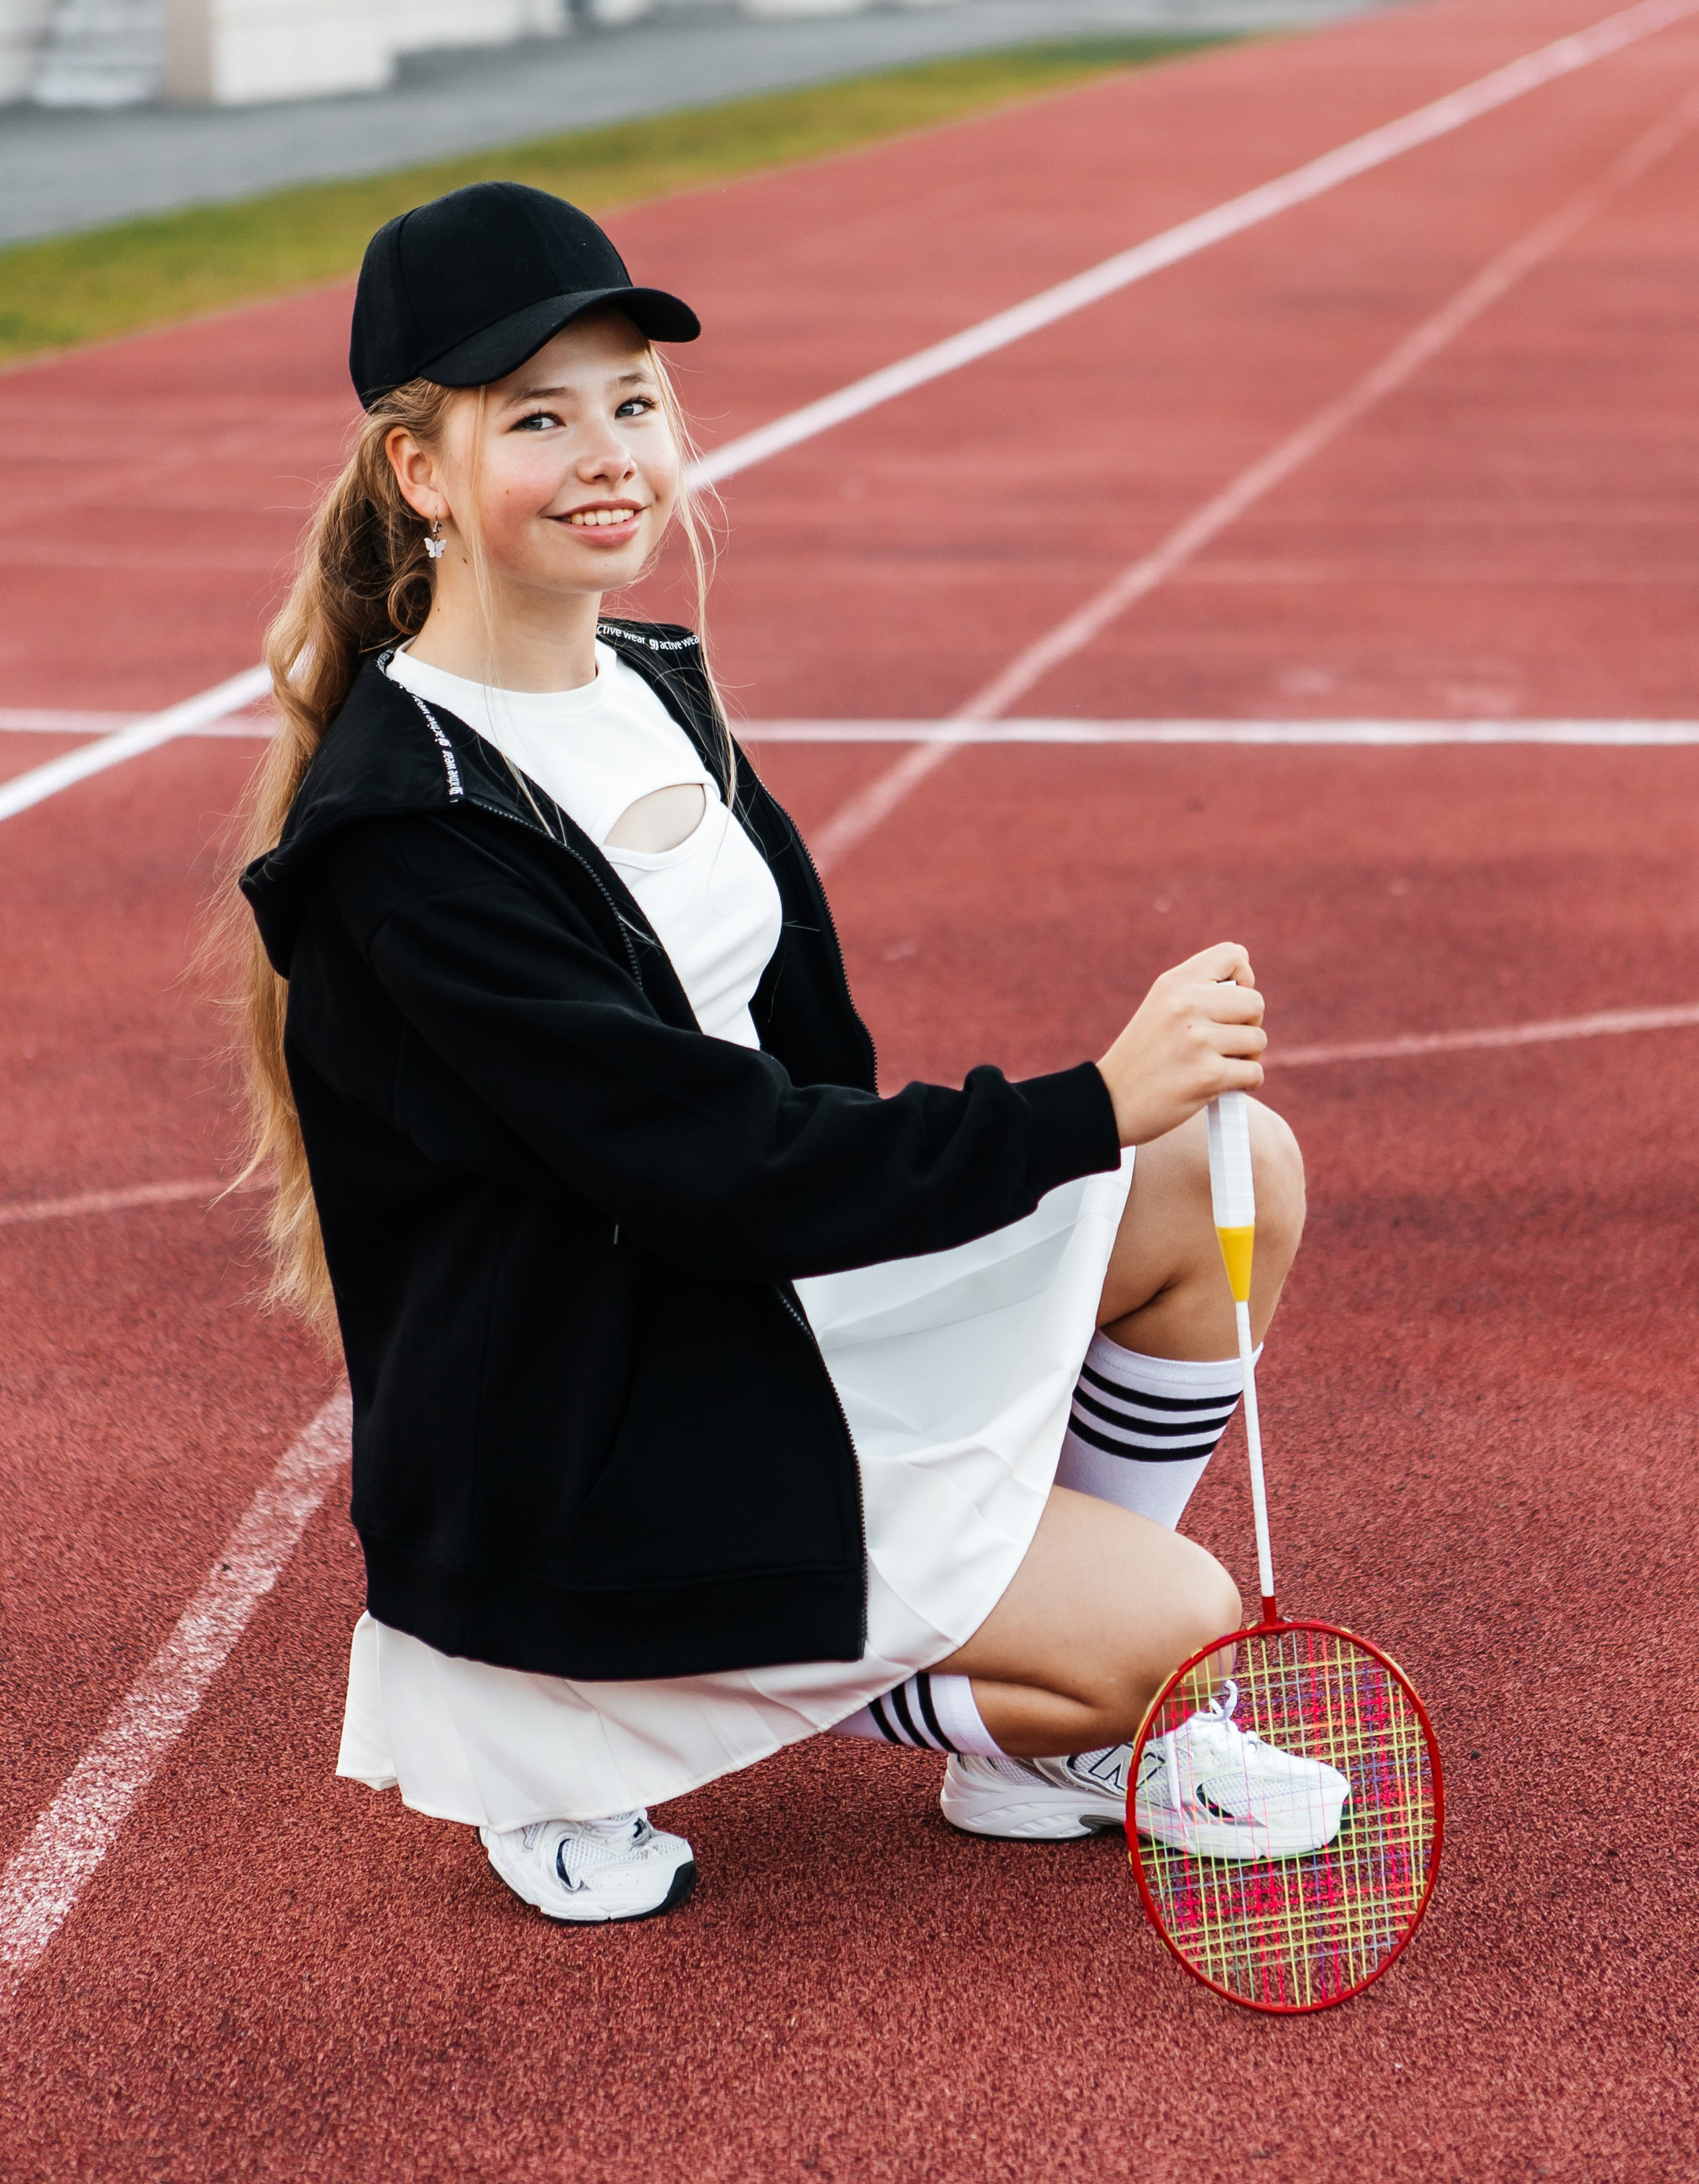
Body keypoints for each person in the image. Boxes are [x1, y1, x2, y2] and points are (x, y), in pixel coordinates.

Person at [234, 180, 1335, 1929]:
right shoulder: (410, 833)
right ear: (420, 476)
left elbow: (803, 1070)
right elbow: (706, 1159)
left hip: (760, 1301)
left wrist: (1058, 1175)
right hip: (600, 1422)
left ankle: (1031, 1730)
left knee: (1230, 1168)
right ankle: (584, 1720)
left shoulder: (650, 681)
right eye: (537, 416)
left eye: (633, 401)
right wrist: (1081, 1106)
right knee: (1184, 1625)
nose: (609, 453)